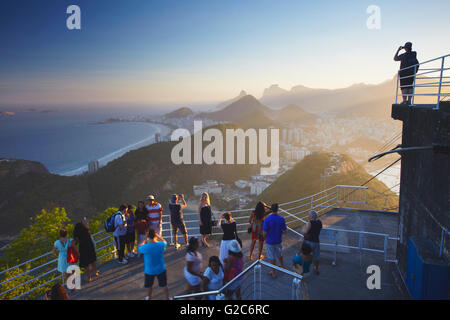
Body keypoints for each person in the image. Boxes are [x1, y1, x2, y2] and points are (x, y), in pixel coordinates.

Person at [138, 228, 170, 300]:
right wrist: (158, 236)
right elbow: (164, 242)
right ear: (155, 236)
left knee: (149, 286)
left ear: (148, 237)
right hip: (161, 268)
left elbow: (139, 247)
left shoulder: (145, 247)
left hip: (149, 270)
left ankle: (149, 297)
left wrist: (145, 238)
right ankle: (167, 298)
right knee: (164, 285)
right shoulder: (161, 245)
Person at [263, 203, 287, 278]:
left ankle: (273, 272)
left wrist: (264, 238)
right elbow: (285, 231)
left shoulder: (267, 219)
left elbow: (265, 232)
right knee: (279, 253)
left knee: (271, 256)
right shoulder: (281, 218)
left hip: (269, 241)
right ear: (277, 209)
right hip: (278, 240)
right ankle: (282, 265)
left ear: (271, 210)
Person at [73, 217, 98, 282]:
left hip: (83, 247)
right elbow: (88, 233)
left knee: (86, 263)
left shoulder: (78, 228)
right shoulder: (85, 228)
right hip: (88, 245)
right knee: (91, 260)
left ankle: (89, 277)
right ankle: (95, 273)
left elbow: (76, 239)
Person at [303, 210, 323, 275]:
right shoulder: (319, 222)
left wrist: (306, 237)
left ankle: (304, 270)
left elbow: (305, 232)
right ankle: (316, 268)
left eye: (308, 215)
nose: (308, 216)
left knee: (306, 256)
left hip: (309, 242)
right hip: (316, 242)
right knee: (316, 256)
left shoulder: (309, 223)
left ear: (311, 216)